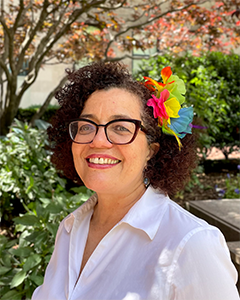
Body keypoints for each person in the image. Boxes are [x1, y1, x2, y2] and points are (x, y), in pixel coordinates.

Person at [31, 62, 239, 300]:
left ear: (152, 150)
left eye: (120, 127)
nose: (98, 141)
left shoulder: (191, 244)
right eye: (87, 126)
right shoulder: (69, 230)